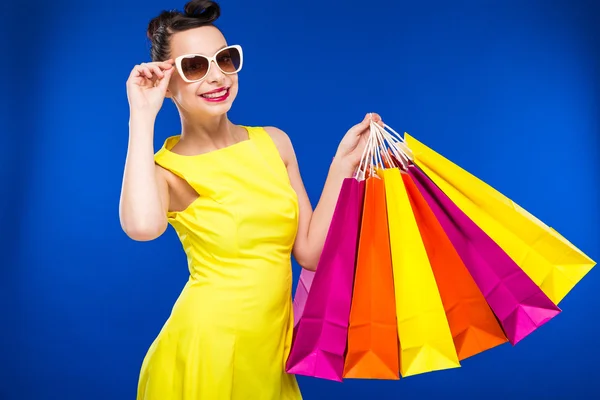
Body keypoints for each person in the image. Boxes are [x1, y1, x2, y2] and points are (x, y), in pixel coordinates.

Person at [120, 0, 383, 398]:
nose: (216, 77)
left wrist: (342, 165)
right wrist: (141, 114)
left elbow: (311, 252)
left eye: (224, 60)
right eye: (194, 66)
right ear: (168, 83)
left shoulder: (274, 142)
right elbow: (141, 227)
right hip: (205, 352)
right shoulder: (167, 171)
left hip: (269, 355)